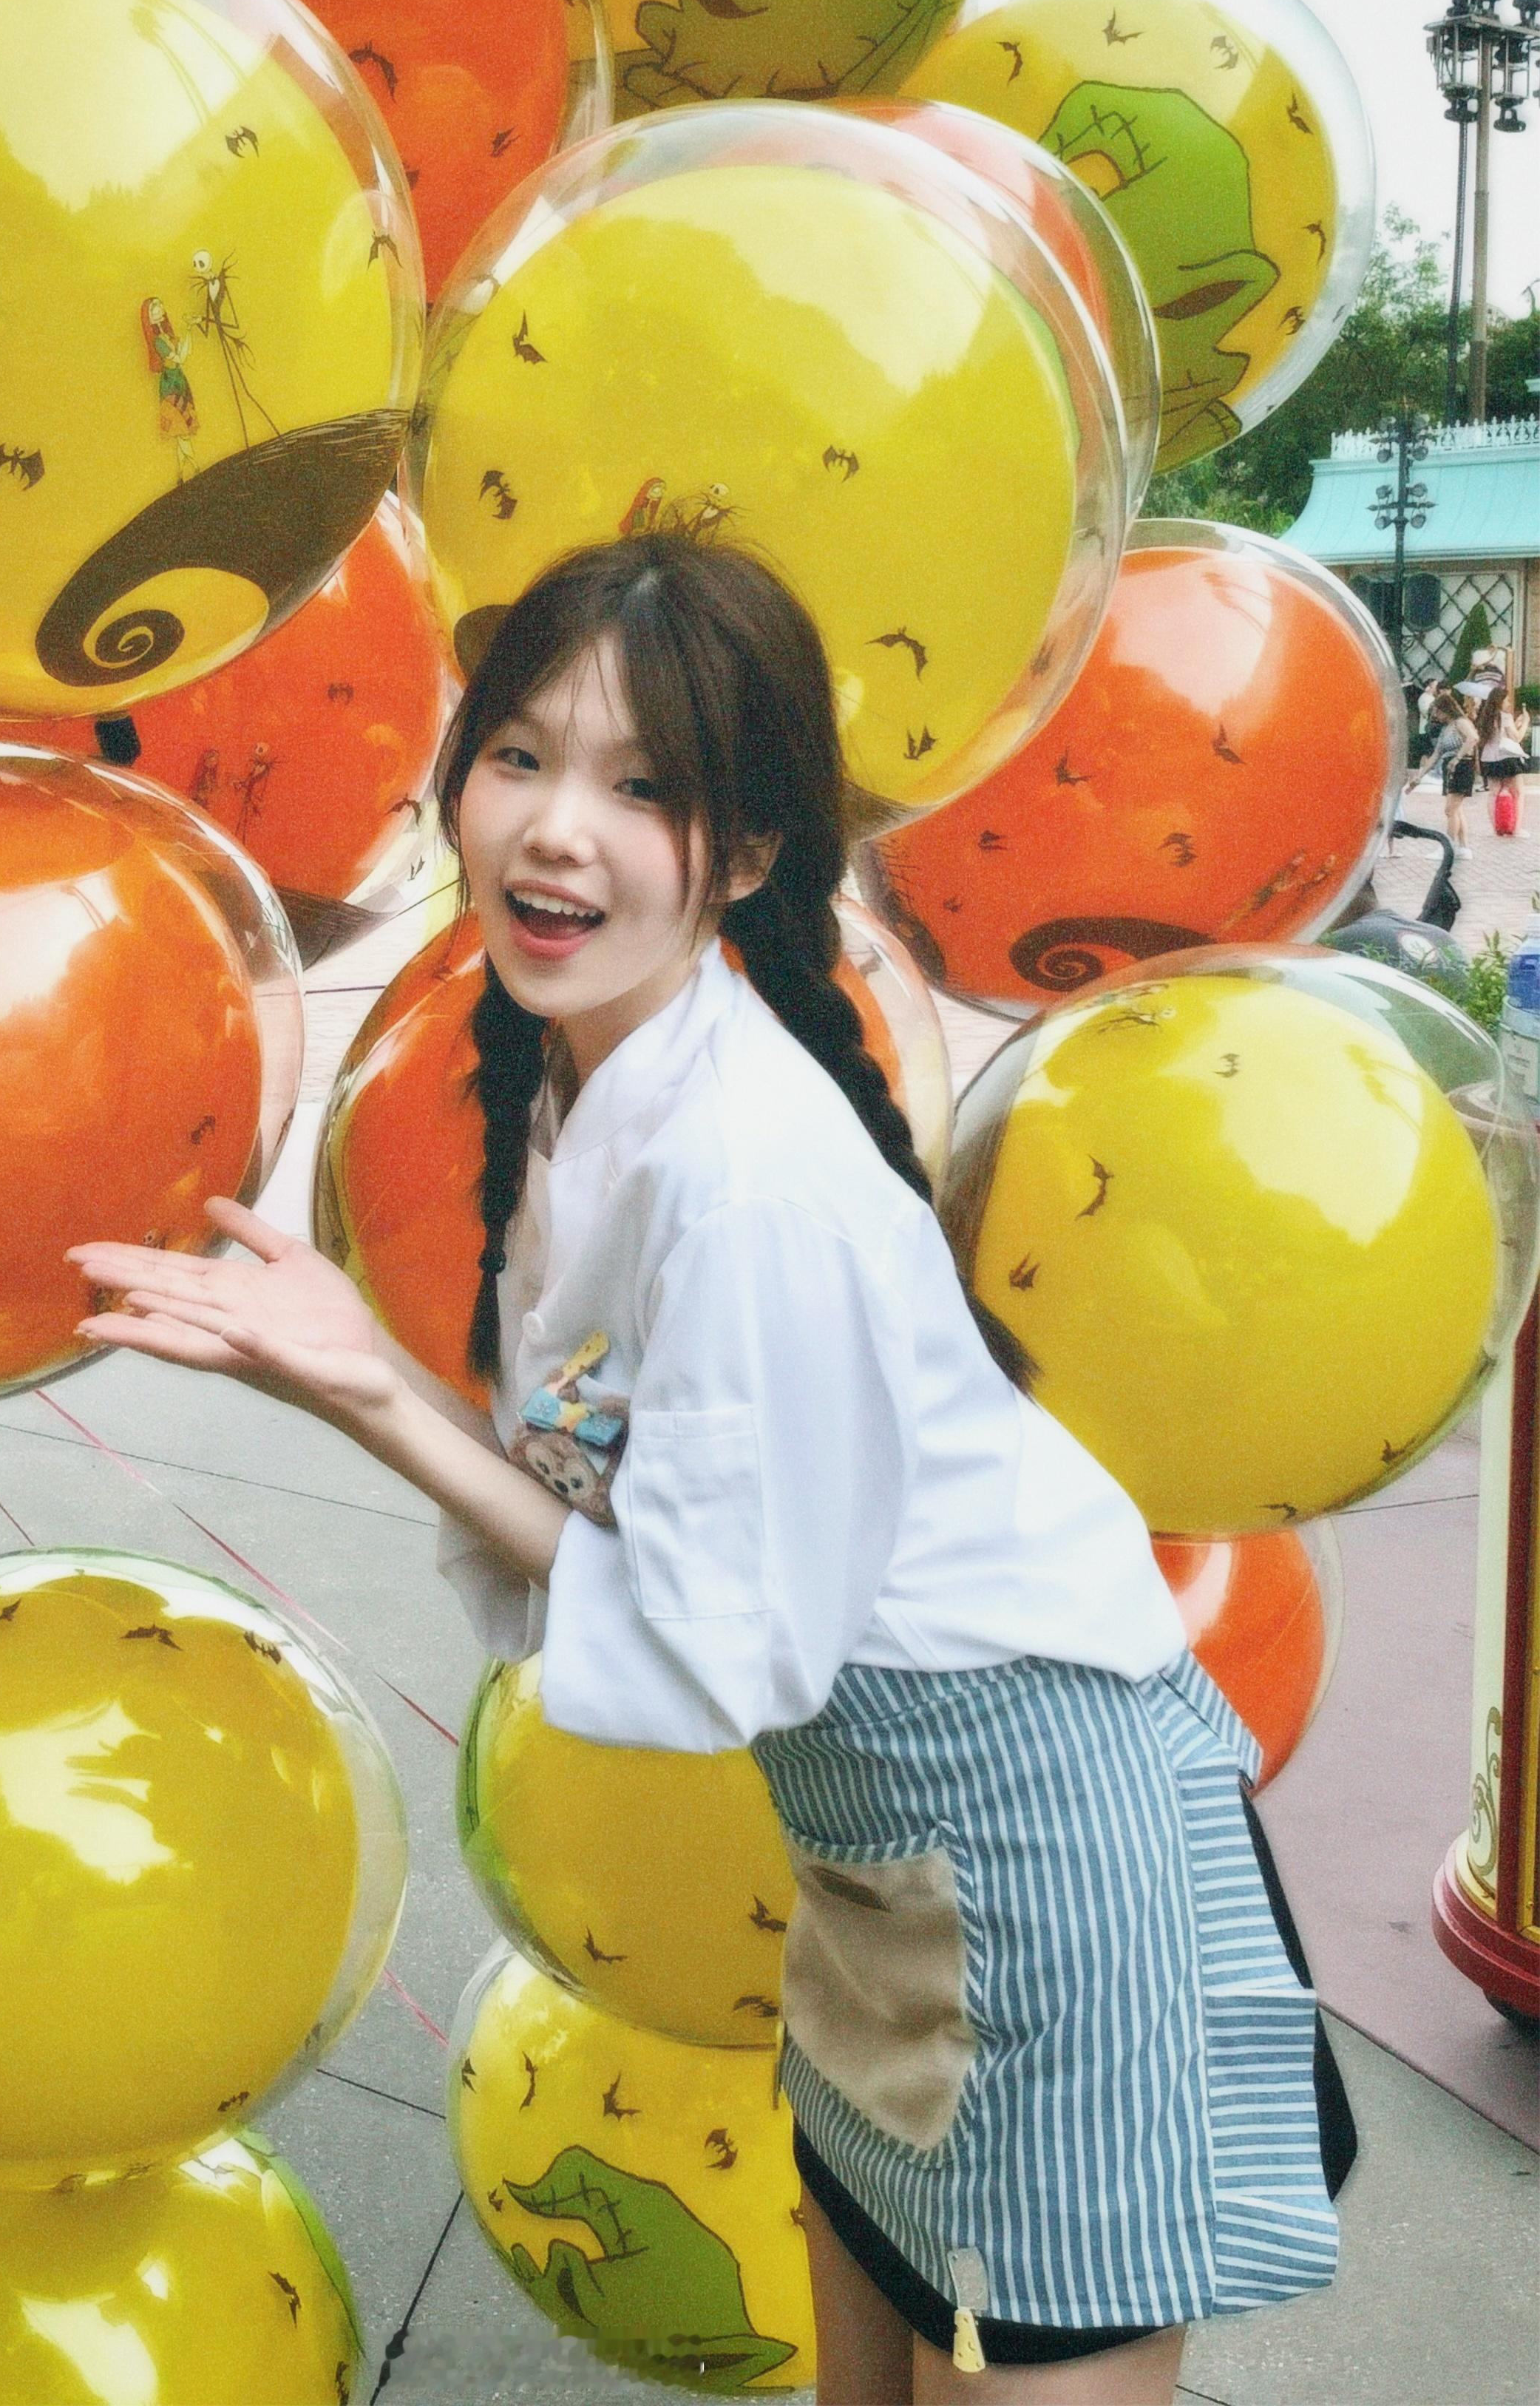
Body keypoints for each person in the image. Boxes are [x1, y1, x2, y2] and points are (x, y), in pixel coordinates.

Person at [72, 538, 1344, 2405]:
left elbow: (705, 1643)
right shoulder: (599, 1089)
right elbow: (605, 1486)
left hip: (1050, 1873)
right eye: (521, 757)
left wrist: (368, 1398)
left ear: (743, 852)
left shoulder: (746, 1177)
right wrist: (366, 1370)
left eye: (641, 786)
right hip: (885, 1872)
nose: (554, 831)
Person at [1407, 684, 1479, 856]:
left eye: (1438, 712)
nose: (1436, 716)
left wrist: (1457, 757)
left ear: (1446, 710)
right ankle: (1463, 847)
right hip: (1452, 766)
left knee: (1450, 809)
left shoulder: (1461, 723)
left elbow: (1473, 738)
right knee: (1456, 809)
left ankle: (1449, 847)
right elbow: (1436, 754)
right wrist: (1420, 776)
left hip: (1462, 766)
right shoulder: (1447, 728)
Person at [1478, 685, 1530, 838]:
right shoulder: (1505, 717)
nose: (1508, 703)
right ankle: (1517, 829)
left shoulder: (1485, 718)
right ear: (1499, 701)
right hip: (1507, 758)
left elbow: (1496, 736)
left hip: (1489, 758)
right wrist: (1525, 722)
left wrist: (1516, 724)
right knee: (1518, 793)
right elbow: (1517, 738)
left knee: (1493, 794)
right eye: (1506, 700)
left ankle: (1495, 829)